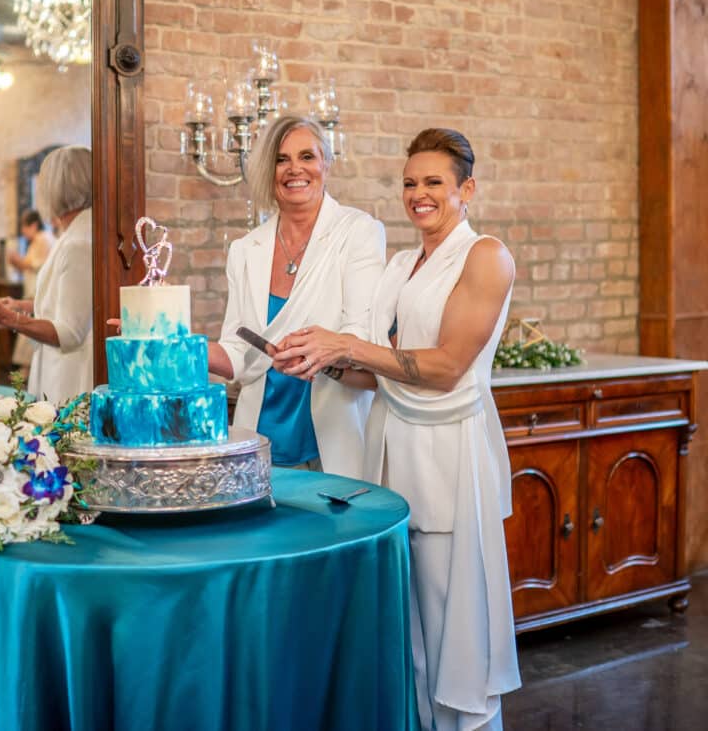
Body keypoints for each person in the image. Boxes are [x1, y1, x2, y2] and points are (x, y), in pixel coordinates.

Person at [274, 128, 521, 730]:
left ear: (467, 189)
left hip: (448, 453)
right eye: (410, 183)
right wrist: (320, 360)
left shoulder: (485, 255)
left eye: (434, 182)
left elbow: (442, 367)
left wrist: (349, 344)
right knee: (407, 627)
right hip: (391, 450)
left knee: (451, 622)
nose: (418, 194)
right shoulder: (402, 263)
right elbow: (375, 374)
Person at [207, 115, 386, 478]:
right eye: (281, 159)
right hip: (260, 442)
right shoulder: (245, 250)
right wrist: (171, 342)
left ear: (326, 163)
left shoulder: (358, 232)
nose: (294, 169)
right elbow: (237, 353)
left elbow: (359, 334)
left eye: (307, 156)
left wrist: (317, 354)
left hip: (334, 437)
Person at [0, 146, 93, 404]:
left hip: (69, 377)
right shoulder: (73, 235)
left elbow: (69, 331)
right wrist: (19, 306)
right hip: (58, 366)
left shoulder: (79, 243)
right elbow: (68, 301)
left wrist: (8, 318)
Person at [8, 210, 56, 368]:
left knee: (30, 338)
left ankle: (25, 378)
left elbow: (32, 265)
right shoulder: (38, 240)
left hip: (37, 295)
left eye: (24, 226)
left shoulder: (43, 239)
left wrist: (16, 260)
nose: (22, 231)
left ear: (34, 225)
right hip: (33, 294)